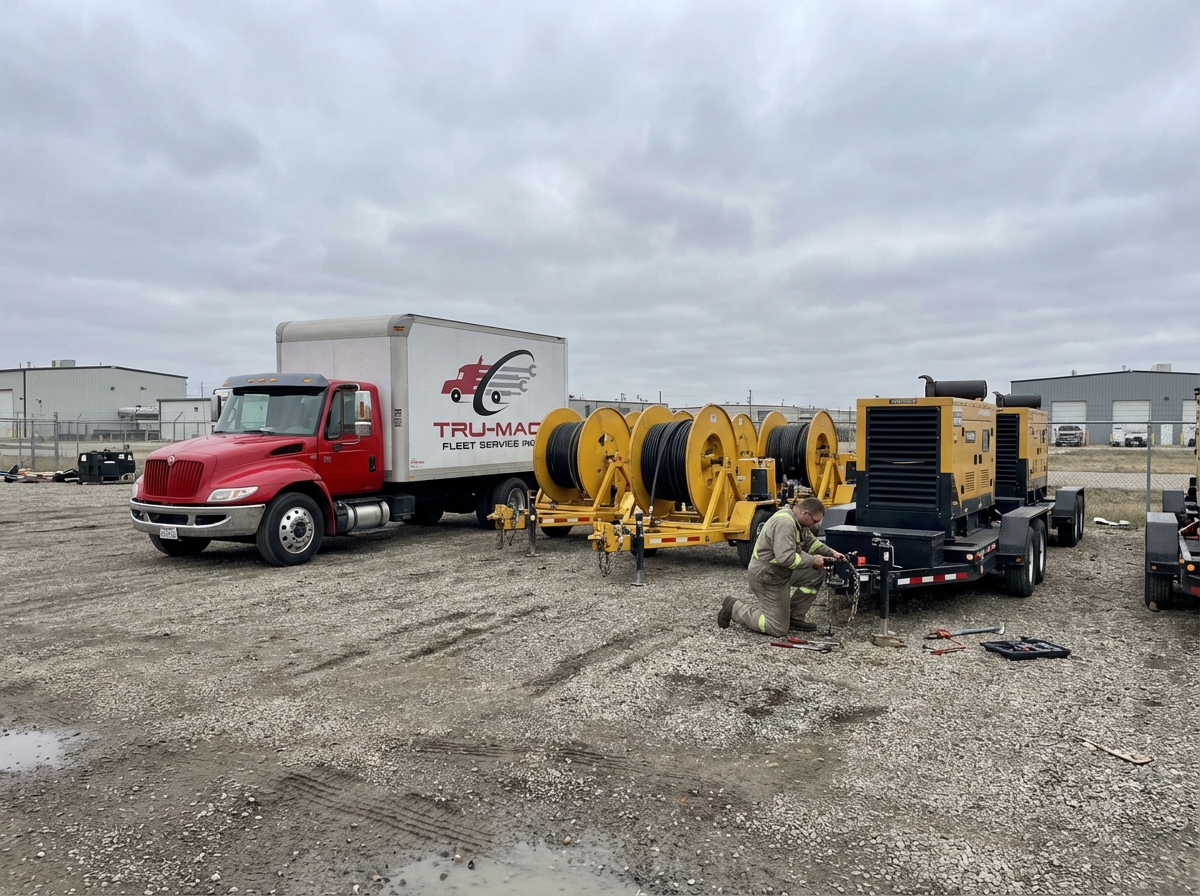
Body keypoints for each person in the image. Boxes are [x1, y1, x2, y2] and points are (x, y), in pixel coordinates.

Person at [718, 497, 845, 635]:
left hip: (780, 571)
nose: (815, 525)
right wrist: (813, 560)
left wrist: (831, 553)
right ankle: (734, 608)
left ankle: (794, 616)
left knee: (816, 573)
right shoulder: (785, 524)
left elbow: (810, 542)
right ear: (806, 514)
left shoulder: (797, 522)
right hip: (767, 576)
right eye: (815, 521)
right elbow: (786, 558)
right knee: (777, 628)